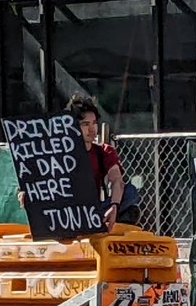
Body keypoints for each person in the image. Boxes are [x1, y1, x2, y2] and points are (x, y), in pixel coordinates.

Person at [18, 94, 126, 232]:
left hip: (94, 212)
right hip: (63, 214)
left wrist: (114, 205)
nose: (92, 129)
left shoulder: (103, 152)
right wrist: (28, 194)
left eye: (94, 123)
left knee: (129, 194)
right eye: (85, 124)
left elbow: (117, 179)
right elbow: (36, 181)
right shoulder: (56, 154)